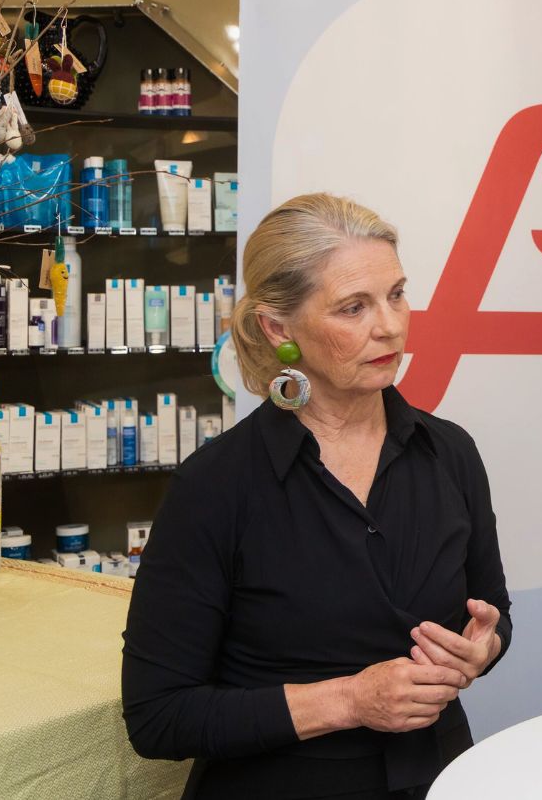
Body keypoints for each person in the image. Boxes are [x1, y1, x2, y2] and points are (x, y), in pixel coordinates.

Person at [122, 193, 512, 799]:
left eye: (397, 294)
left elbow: (495, 615)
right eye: (353, 307)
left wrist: (481, 647)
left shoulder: (450, 454)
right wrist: (350, 700)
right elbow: (159, 716)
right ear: (278, 327)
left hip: (437, 777)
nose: (389, 325)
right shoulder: (216, 487)